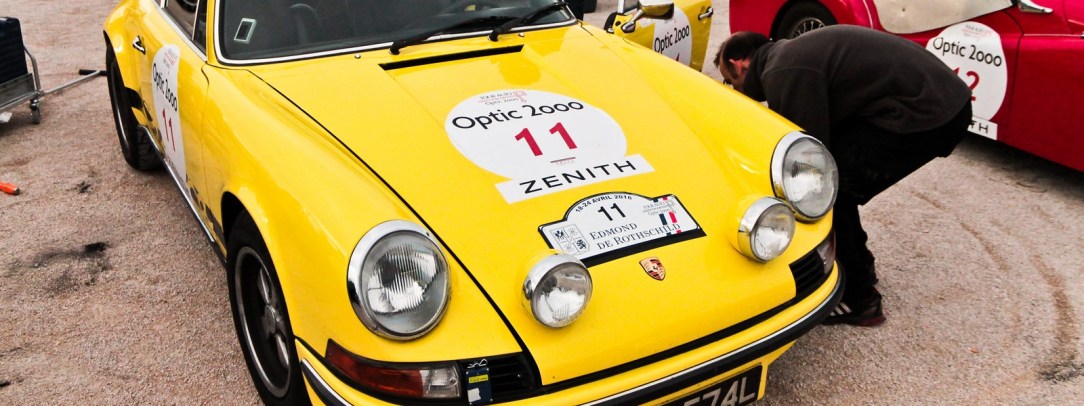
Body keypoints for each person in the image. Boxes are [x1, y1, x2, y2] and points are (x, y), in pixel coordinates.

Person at [714, 26, 972, 327]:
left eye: (729, 81)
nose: (734, 89)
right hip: (944, 100)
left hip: (929, 112)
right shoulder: (792, 55)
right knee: (837, 180)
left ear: (739, 64)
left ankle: (859, 298)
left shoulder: (783, 70)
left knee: (828, 192)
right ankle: (861, 265)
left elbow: (810, 163)